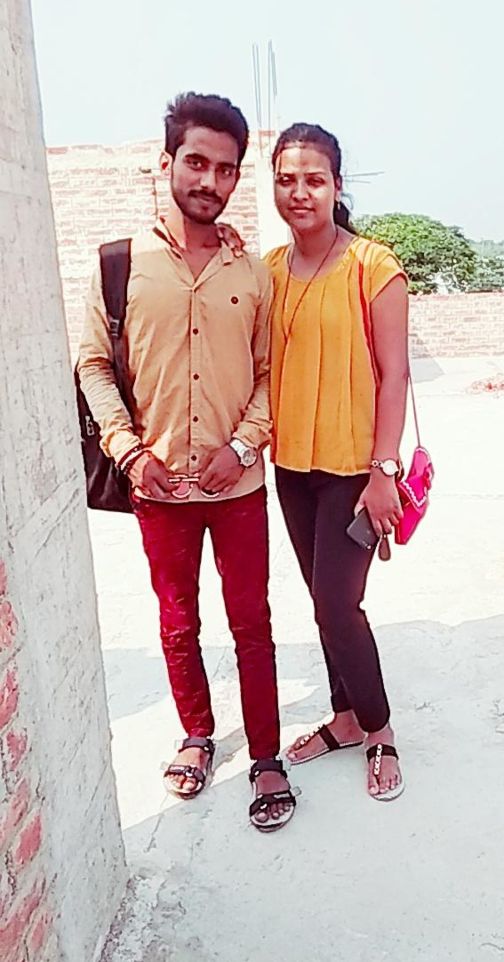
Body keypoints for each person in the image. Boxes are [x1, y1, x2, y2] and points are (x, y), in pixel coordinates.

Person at [77, 92, 296, 832]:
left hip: (239, 488)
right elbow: (94, 365)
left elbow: (270, 374)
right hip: (159, 487)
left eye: (226, 169)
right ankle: (198, 735)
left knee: (251, 622)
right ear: (166, 162)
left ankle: (265, 754)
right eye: (197, 162)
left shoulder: (253, 273)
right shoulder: (119, 265)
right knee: (177, 622)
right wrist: (128, 452)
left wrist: (243, 447)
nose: (210, 180)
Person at [264, 123, 409, 801]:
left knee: (337, 604)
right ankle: (344, 717)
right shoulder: (267, 270)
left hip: (355, 469)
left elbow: (395, 374)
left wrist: (385, 470)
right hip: (291, 468)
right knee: (322, 603)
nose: (299, 192)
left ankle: (378, 729)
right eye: (286, 179)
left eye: (313, 179)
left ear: (337, 186)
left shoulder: (373, 266)